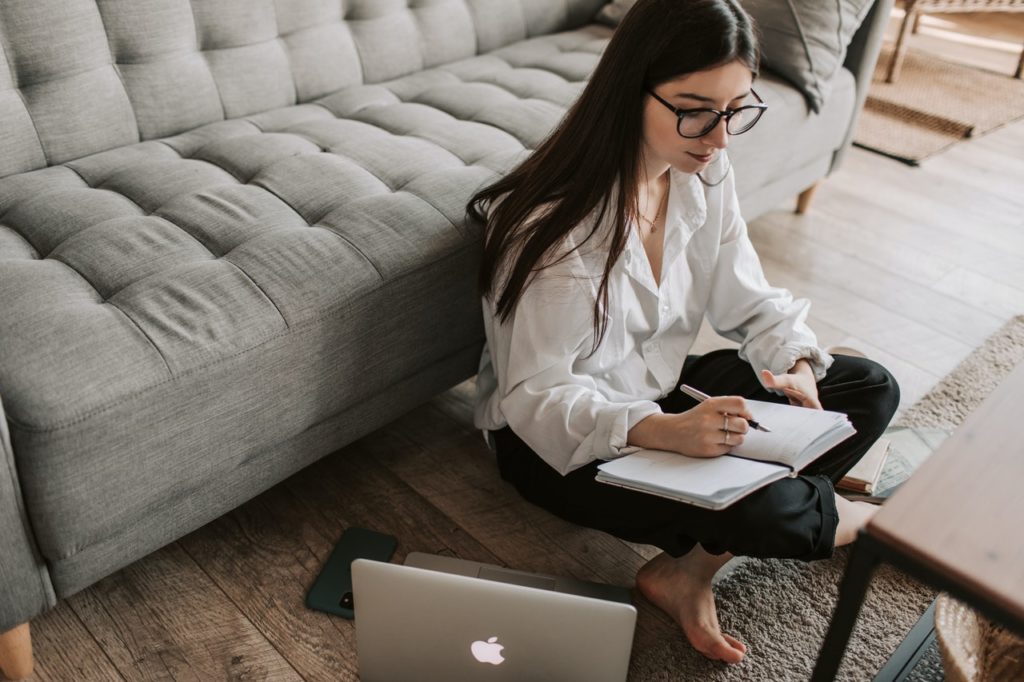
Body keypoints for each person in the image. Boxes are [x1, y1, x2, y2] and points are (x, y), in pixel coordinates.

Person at [466, 0, 900, 665]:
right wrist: (662, 433)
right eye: (696, 109)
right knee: (771, 511)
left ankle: (690, 565)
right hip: (565, 445)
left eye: (735, 110)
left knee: (867, 386)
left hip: (665, 392)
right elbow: (536, 398)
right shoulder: (554, 230)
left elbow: (748, 297)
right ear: (629, 89)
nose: (719, 137)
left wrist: (795, 366)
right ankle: (852, 518)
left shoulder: (703, 169)